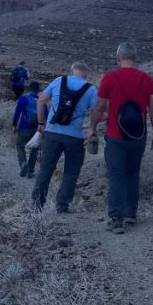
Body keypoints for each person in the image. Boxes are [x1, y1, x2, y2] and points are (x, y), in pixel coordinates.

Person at [88, 42, 153, 234]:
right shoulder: (148, 79)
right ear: (135, 58)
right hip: (138, 136)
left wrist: (92, 127)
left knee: (116, 176)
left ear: (118, 57)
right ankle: (131, 213)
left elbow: (100, 107)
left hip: (115, 135)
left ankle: (116, 219)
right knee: (133, 174)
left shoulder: (110, 77)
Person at [31, 62, 98, 213]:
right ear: (86, 74)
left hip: (52, 133)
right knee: (71, 172)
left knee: (46, 169)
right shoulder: (91, 89)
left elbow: (41, 100)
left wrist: (41, 123)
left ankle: (37, 204)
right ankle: (62, 204)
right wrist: (92, 128)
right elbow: (97, 111)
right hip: (75, 137)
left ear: (72, 71)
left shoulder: (59, 81)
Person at [12, 81, 41, 177]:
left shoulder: (23, 99)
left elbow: (17, 113)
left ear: (29, 89)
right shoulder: (41, 100)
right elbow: (45, 115)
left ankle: (23, 163)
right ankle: (31, 170)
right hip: (37, 129)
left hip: (24, 127)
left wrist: (14, 125)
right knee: (34, 149)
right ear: (38, 90)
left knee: (20, 146)